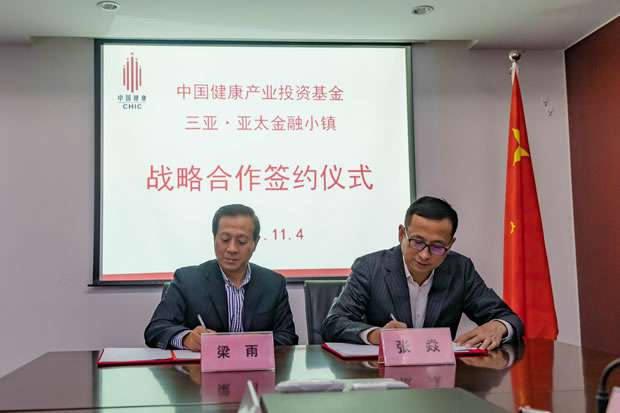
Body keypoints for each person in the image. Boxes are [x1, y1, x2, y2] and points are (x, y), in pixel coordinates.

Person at [321, 196, 523, 350]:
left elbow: (510, 319)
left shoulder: (460, 270)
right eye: (417, 242)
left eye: (437, 246)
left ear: (450, 244)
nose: (425, 255)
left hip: (439, 380)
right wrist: (376, 335)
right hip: (382, 378)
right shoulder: (370, 267)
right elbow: (334, 323)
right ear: (402, 234)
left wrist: (498, 326)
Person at [145, 204, 298, 350]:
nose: (232, 248)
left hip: (256, 366)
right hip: (201, 368)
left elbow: (287, 337)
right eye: (225, 239)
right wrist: (187, 338)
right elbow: (156, 329)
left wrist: (248, 344)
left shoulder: (273, 284)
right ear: (214, 238)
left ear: (255, 243)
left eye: (242, 241)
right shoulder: (188, 280)